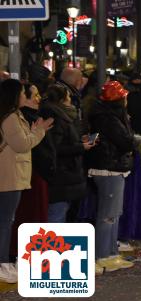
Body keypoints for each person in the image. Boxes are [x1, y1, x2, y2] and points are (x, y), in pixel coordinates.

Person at [0, 79, 52, 283]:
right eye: (22, 93)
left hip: (12, 175)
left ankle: (4, 261)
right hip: (10, 176)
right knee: (6, 221)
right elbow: (22, 144)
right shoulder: (11, 117)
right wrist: (38, 131)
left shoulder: (14, 115)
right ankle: (2, 262)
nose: (24, 95)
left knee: (7, 220)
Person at [87, 81, 135, 274]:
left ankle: (110, 252)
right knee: (108, 214)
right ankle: (103, 255)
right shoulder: (109, 118)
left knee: (113, 214)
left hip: (111, 167)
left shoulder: (105, 116)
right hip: (109, 168)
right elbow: (125, 141)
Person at [41, 84, 95, 222]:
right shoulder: (56, 116)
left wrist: (78, 141)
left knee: (60, 214)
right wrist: (81, 147)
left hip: (65, 175)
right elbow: (55, 148)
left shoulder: (60, 115)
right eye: (69, 96)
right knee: (56, 216)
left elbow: (63, 140)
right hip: (61, 175)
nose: (71, 99)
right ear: (63, 99)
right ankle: (52, 244)